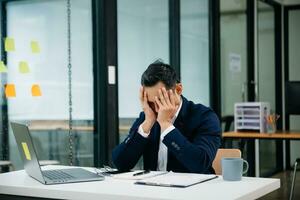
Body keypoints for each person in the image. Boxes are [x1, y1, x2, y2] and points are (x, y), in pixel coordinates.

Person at [112, 60, 221, 174]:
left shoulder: (204, 117)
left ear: (178, 90)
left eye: (160, 100)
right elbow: (120, 163)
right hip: (153, 188)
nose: (156, 109)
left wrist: (166, 125)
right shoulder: (148, 115)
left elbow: (200, 164)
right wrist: (147, 124)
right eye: (150, 102)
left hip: (193, 189)